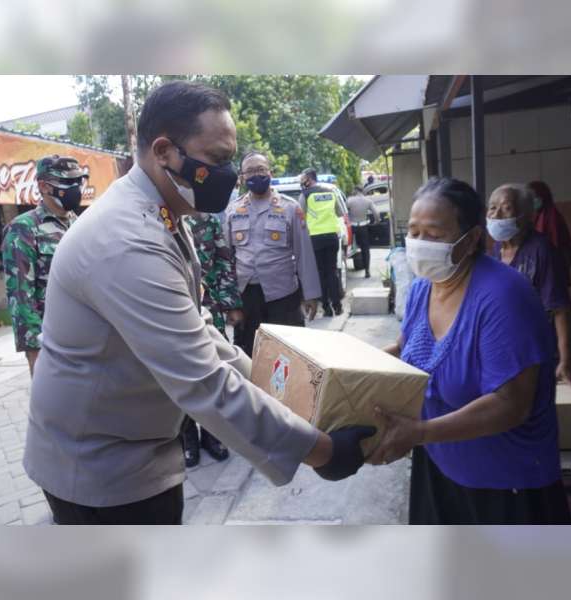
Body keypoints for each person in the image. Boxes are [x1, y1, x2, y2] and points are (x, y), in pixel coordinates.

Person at [22, 80, 373, 525]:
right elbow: (203, 381)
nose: (231, 175)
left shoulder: (164, 211)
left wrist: (291, 397)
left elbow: (202, 332)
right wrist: (321, 451)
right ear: (165, 151)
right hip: (99, 471)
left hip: (134, 449)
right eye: (219, 160)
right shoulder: (126, 240)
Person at [369, 177, 571, 525]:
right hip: (439, 463)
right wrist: (354, 368)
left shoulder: (503, 297)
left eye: (434, 235)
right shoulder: (422, 289)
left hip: (504, 483)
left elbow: (510, 404)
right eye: (414, 232)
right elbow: (407, 348)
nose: (419, 244)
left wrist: (417, 432)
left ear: (473, 238)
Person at [486, 183, 571, 387]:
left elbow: (560, 308)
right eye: (492, 207)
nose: (496, 215)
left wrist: (565, 359)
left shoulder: (542, 250)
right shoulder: (498, 248)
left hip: (544, 346)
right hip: (516, 343)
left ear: (526, 215)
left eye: (506, 208)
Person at [225, 151, 321, 358]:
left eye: (260, 170)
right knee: (248, 353)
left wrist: (311, 294)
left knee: (288, 355)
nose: (255, 175)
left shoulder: (290, 208)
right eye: (249, 172)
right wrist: (229, 302)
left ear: (271, 172)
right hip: (246, 297)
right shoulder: (233, 211)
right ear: (242, 178)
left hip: (283, 296)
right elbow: (226, 259)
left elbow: (304, 253)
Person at [1, 155, 84, 376]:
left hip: (87, 335)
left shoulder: (81, 224)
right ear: (44, 186)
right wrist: (34, 352)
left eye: (79, 181)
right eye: (67, 183)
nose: (76, 188)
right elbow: (20, 295)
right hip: (53, 340)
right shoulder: (23, 229)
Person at [179, 211, 243, 467]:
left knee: (214, 371)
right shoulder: (159, 220)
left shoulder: (208, 219)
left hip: (209, 306)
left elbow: (225, 262)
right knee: (181, 376)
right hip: (175, 309)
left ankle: (214, 434)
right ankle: (188, 439)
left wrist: (231, 304)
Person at [299, 167, 345, 316]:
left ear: (310, 178)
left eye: (303, 178)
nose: (302, 181)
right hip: (332, 236)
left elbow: (301, 216)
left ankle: (326, 308)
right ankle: (337, 305)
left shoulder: (305, 195)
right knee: (332, 271)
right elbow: (340, 212)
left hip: (315, 238)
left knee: (320, 273)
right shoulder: (330, 192)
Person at [527, 180, 571, 277]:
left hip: (554, 264)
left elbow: (553, 244)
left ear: (543, 197)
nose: (532, 200)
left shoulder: (551, 216)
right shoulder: (537, 214)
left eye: (535, 197)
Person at [346, 185, 380, 278]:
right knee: (365, 249)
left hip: (352, 227)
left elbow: (344, 212)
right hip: (363, 226)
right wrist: (376, 222)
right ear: (362, 191)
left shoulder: (350, 200)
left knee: (348, 248)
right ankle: (367, 271)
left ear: (355, 190)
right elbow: (376, 213)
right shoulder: (368, 201)